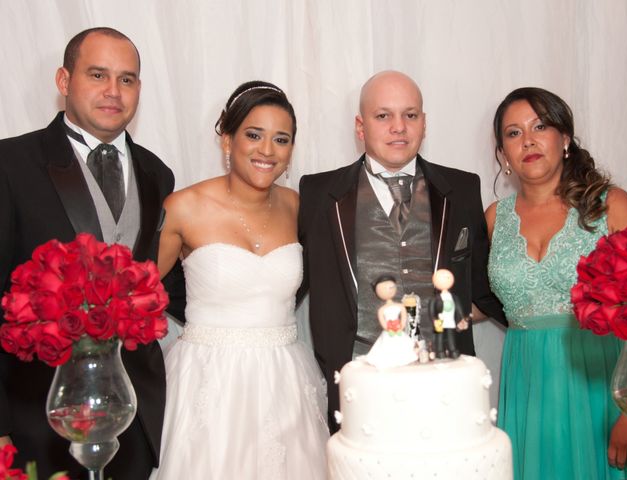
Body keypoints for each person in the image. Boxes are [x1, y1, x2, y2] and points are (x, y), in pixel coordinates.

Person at [0, 27, 183, 479]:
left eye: (127, 79)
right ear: (64, 81)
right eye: (97, 74)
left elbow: (167, 284)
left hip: (134, 416)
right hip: (35, 418)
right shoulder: (10, 164)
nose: (112, 92)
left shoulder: (157, 173)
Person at [298, 70, 506, 432]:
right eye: (383, 116)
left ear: (424, 124)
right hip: (357, 385)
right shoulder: (318, 194)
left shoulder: (462, 188)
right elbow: (291, 279)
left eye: (410, 115)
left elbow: (488, 286)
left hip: (445, 385)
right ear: (360, 127)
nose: (399, 127)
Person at [152, 81, 328, 479]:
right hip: (207, 380)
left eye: (281, 139)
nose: (267, 151)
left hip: (285, 379)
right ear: (227, 140)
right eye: (254, 135)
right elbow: (135, 292)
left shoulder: (299, 206)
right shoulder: (184, 207)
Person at [486, 86, 627, 479]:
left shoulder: (610, 204)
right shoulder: (493, 219)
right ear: (503, 153)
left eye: (540, 126)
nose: (529, 140)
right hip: (526, 384)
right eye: (514, 133)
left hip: (600, 381)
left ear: (565, 138)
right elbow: (471, 298)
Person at [365, 275, 417, 369]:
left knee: (402, 346)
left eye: (391, 287)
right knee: (387, 348)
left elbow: (404, 316)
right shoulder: (382, 309)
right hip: (389, 331)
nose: (388, 289)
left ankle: (402, 360)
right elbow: (382, 321)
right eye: (384, 288)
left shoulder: (400, 306)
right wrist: (388, 327)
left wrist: (401, 325)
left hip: (398, 329)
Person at [427, 269, 469, 359]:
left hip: (450, 320)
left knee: (451, 336)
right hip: (439, 321)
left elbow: (459, 309)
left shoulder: (454, 297)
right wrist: (434, 320)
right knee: (439, 337)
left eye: (448, 277)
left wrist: (461, 318)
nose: (446, 278)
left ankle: (452, 350)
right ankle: (439, 351)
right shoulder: (435, 299)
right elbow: (431, 311)